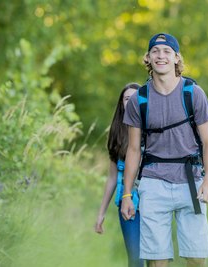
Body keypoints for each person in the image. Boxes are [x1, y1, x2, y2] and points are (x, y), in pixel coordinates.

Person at [121, 33, 208, 267]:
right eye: (155, 51)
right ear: (148, 58)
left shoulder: (193, 93)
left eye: (166, 51)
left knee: (196, 258)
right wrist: (126, 194)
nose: (160, 56)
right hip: (153, 182)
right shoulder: (138, 100)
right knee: (156, 260)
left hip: (191, 181)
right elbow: (133, 150)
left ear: (176, 58)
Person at [95, 82, 144, 267]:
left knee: (156, 258)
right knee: (136, 258)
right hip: (128, 202)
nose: (130, 102)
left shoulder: (151, 129)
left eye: (135, 98)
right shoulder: (117, 133)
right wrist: (101, 213)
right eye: (126, 98)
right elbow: (112, 177)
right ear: (121, 104)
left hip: (153, 199)